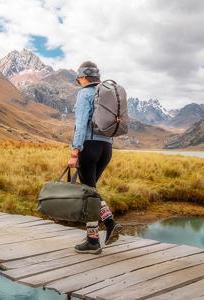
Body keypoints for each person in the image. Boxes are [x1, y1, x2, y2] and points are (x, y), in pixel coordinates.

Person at [68, 61, 122, 254]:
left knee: (90, 193)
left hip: (89, 147)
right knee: (90, 192)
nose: (78, 82)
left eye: (78, 79)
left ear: (83, 77)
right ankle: (92, 239)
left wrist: (75, 151)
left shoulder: (85, 94)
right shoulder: (106, 92)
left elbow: (81, 124)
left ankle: (109, 223)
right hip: (106, 148)